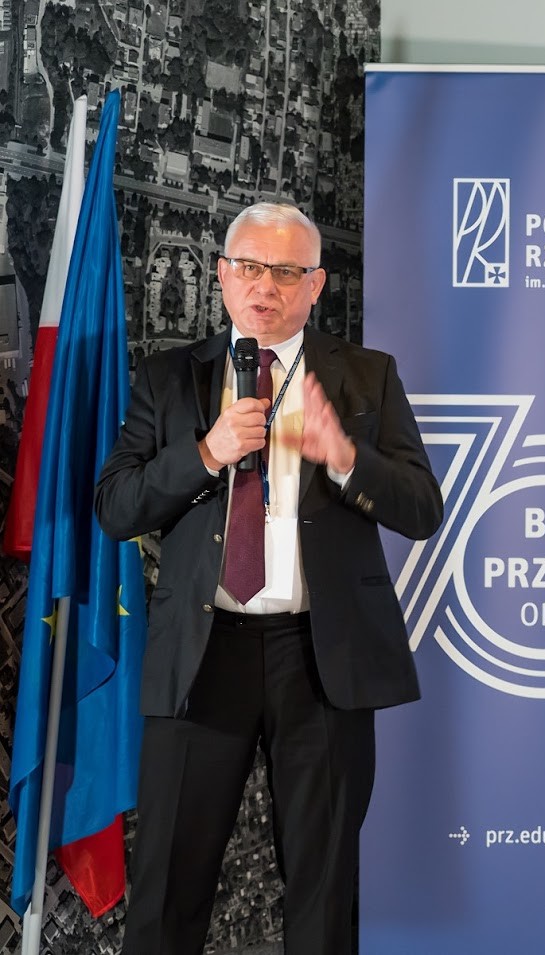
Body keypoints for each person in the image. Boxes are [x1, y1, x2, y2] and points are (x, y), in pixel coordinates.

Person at [95, 202, 443, 954]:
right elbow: (116, 507)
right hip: (201, 655)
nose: (265, 286)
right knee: (165, 890)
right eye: (250, 267)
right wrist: (206, 453)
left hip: (321, 659)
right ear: (222, 275)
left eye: (286, 271)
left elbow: (422, 509)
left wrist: (344, 456)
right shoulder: (169, 378)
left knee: (324, 892)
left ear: (315, 285)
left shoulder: (367, 377)